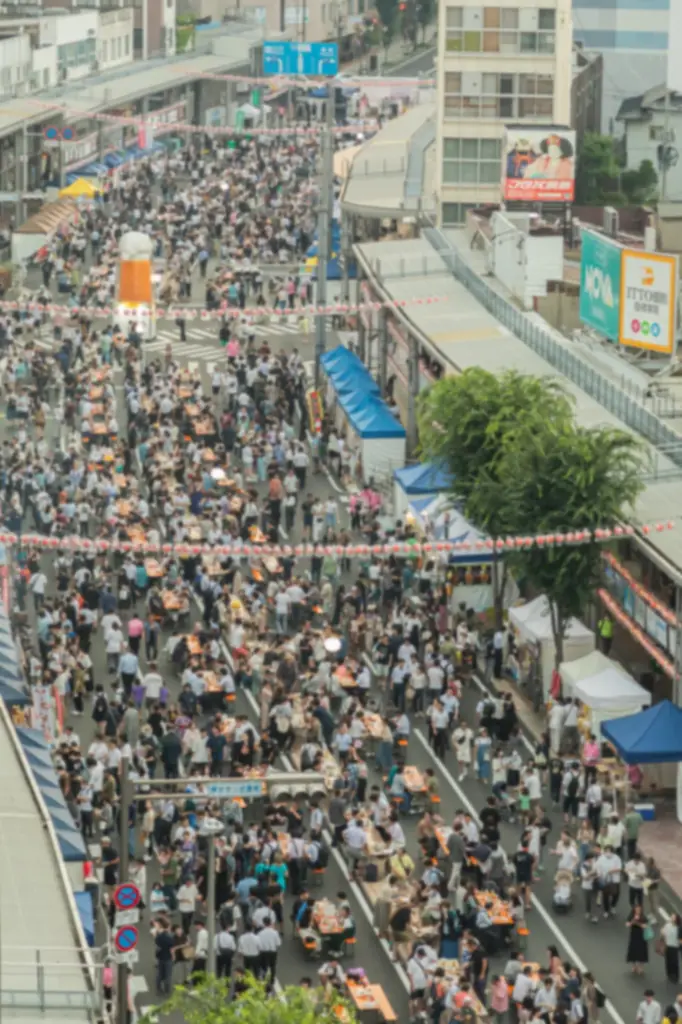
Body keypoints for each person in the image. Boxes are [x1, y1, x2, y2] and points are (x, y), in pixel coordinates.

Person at [626, 903, 650, 975]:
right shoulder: (631, 916)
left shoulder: (643, 917)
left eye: (639, 909)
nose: (638, 910)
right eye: (636, 909)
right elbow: (627, 924)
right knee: (633, 950)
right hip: (634, 935)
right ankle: (634, 966)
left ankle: (641, 967)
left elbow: (645, 926)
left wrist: (638, 923)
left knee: (641, 951)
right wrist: (633, 921)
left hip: (641, 936)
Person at [661, 913, 681, 983]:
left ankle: (675, 975)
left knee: (674, 961)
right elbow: (663, 932)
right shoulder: (667, 925)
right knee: (668, 960)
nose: (671, 918)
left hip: (674, 946)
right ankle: (669, 974)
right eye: (671, 917)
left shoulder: (678, 927)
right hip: (668, 945)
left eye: (673, 917)